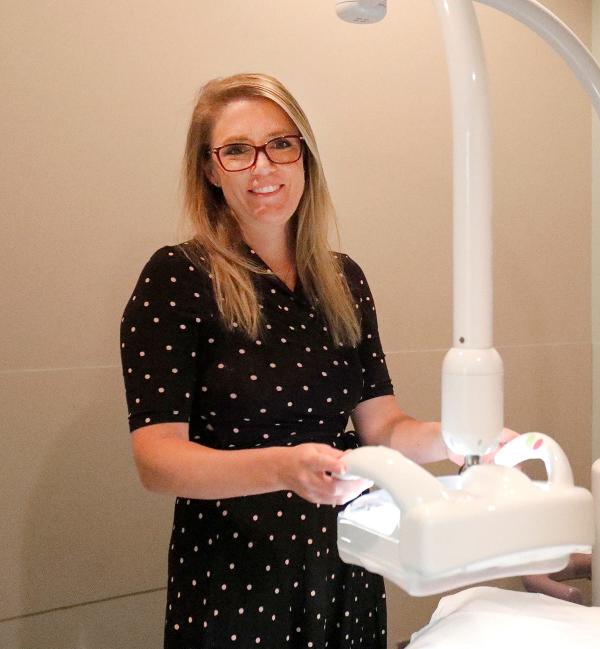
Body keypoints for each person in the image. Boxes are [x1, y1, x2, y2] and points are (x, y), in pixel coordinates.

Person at [120, 73, 473, 649]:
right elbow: (156, 460)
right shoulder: (178, 277)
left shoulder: (342, 279)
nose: (264, 167)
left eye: (281, 144)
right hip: (236, 574)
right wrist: (285, 467)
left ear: (303, 155)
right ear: (210, 170)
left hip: (344, 563)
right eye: (237, 150)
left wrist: (461, 437)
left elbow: (383, 429)